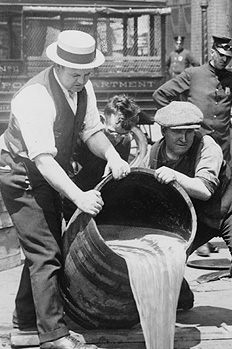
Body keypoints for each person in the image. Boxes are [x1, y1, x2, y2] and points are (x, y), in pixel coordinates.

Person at [0, 30, 130, 349]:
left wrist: (112, 154)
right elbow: (44, 161)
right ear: (58, 66)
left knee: (44, 247)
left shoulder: (82, 88)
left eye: (87, 74)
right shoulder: (34, 97)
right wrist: (79, 196)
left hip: (46, 170)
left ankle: (26, 324)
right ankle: (53, 335)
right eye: (75, 75)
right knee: (46, 251)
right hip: (20, 172)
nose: (82, 81)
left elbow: (92, 131)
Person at [144, 101, 232, 349]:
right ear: (163, 132)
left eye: (189, 131)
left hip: (231, 207)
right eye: (177, 131)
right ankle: (182, 296)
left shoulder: (207, 146)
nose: (184, 137)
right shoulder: (154, 154)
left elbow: (204, 189)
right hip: (198, 216)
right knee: (168, 253)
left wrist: (176, 176)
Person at [153, 35, 232, 167]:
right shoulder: (192, 74)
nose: (224, 60)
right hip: (194, 143)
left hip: (221, 144)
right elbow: (160, 95)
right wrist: (176, 121)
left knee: (222, 180)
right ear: (212, 53)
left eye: (228, 57)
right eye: (221, 55)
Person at [62, 94, 141, 219]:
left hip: (99, 195)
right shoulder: (82, 139)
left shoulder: (125, 142)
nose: (116, 139)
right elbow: (68, 172)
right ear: (102, 120)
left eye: (123, 134)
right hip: (75, 193)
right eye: (112, 132)